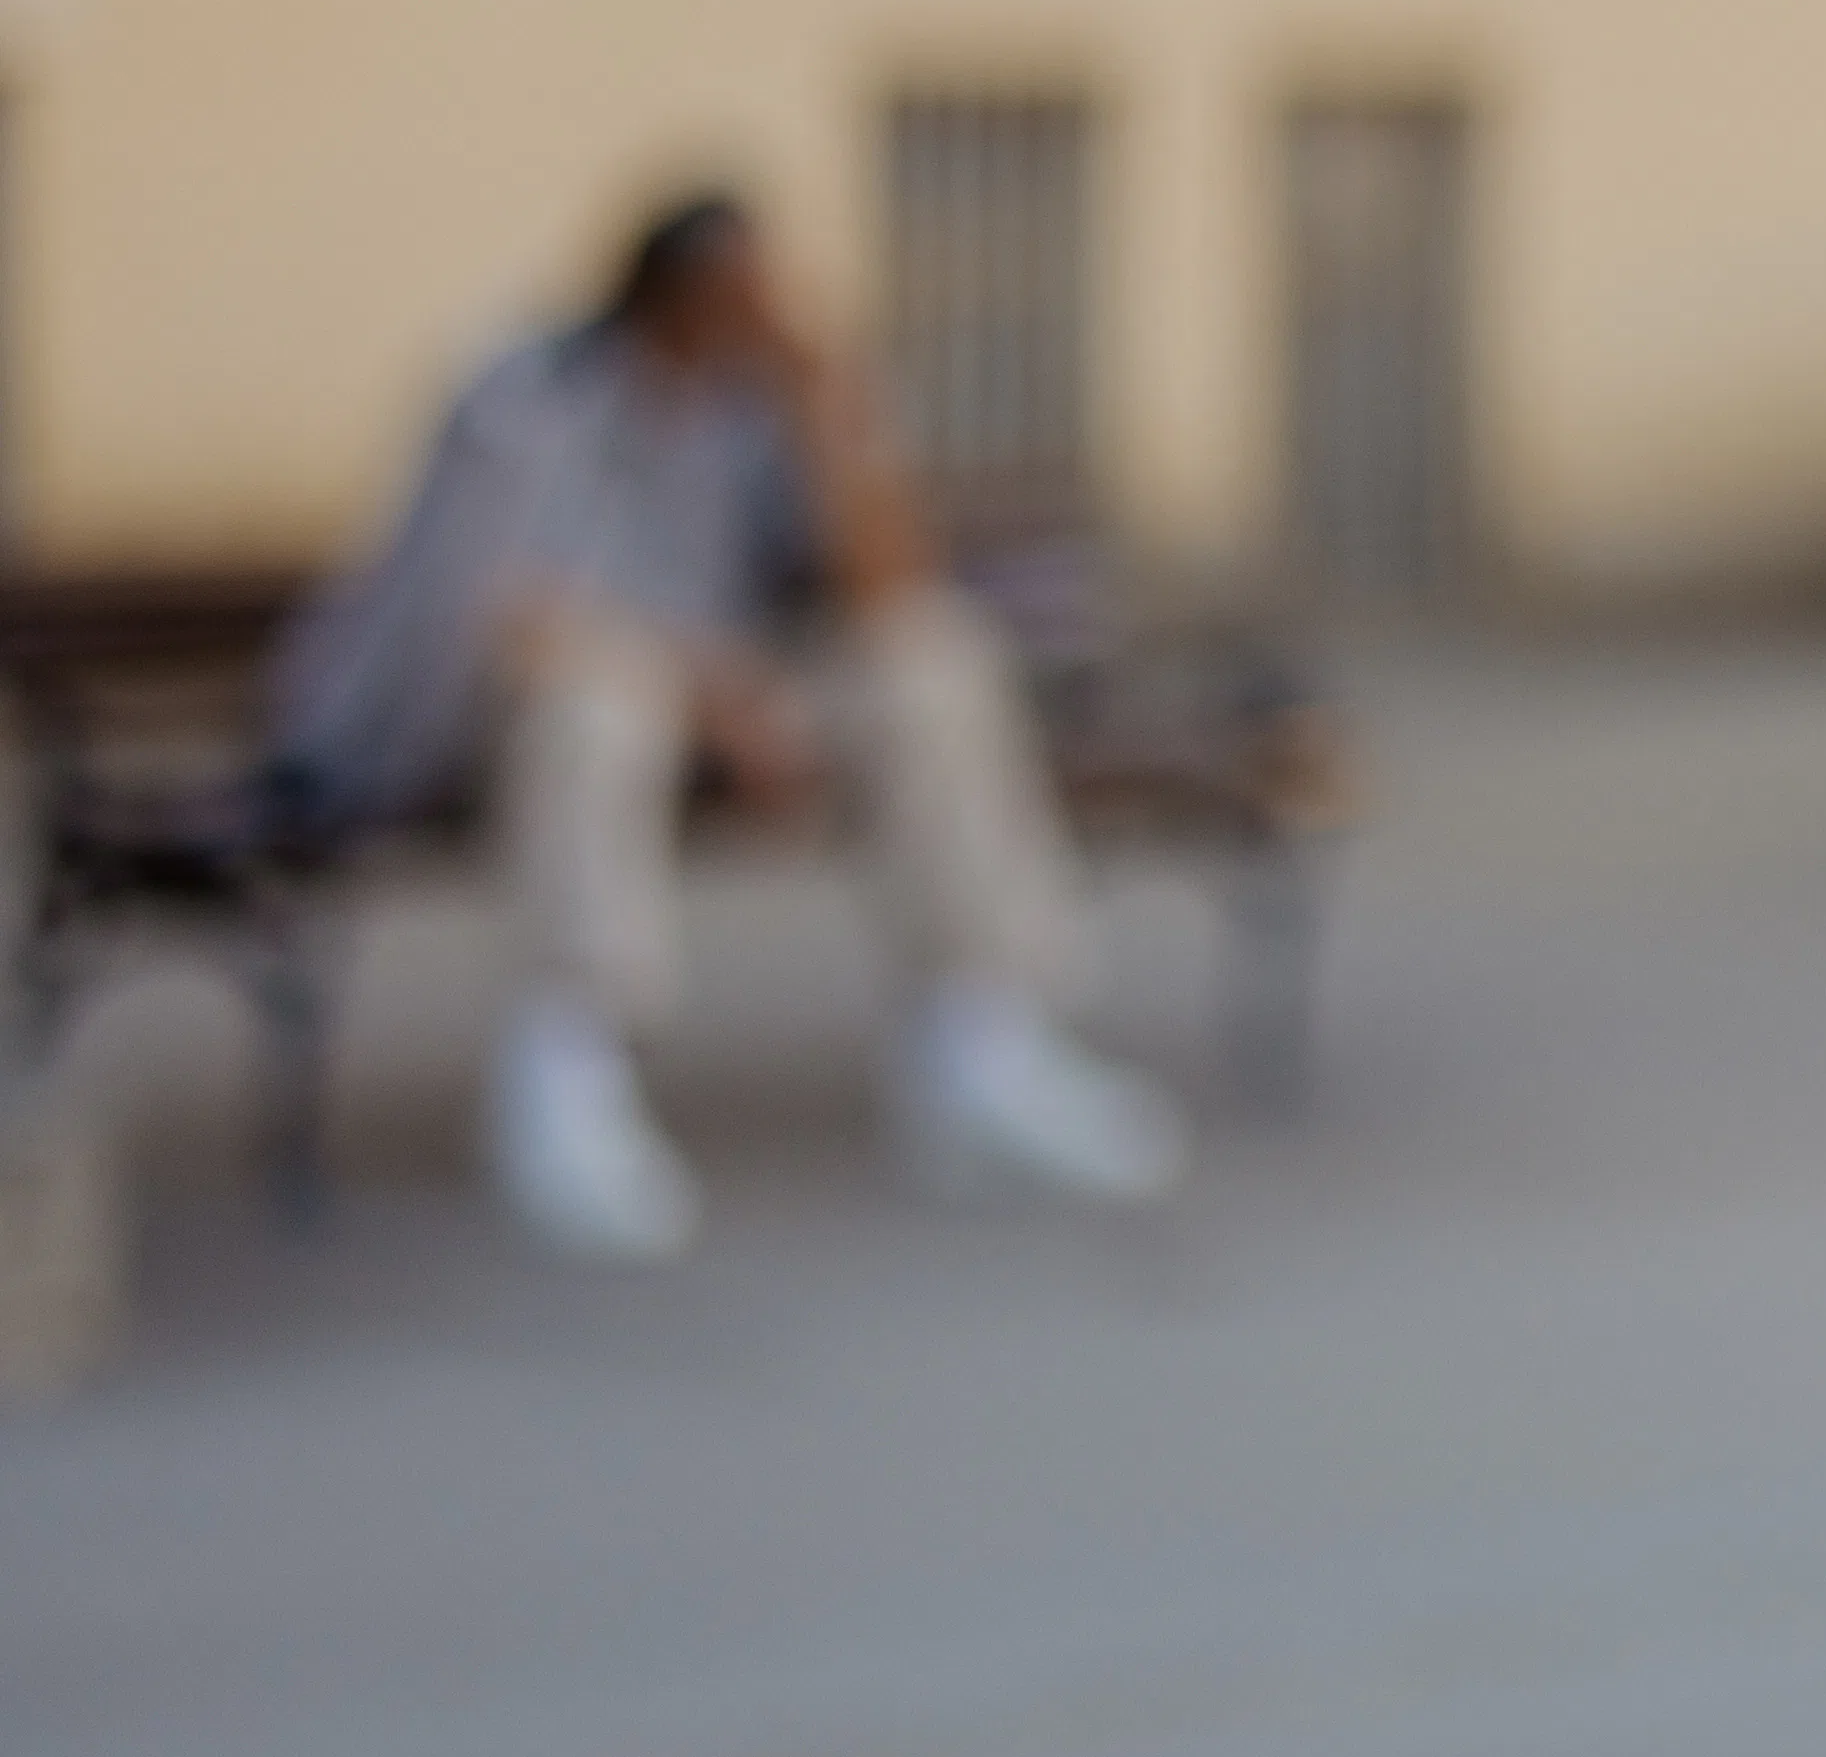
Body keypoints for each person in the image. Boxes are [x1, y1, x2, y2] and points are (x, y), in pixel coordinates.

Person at [273, 192, 1195, 1262]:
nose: (765, 316)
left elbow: (884, 590)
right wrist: (712, 691)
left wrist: (825, 409)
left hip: (723, 700)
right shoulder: (528, 391)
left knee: (932, 668)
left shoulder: (758, 406)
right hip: (496, 722)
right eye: (743, 297)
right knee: (600, 708)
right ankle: (568, 1074)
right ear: (670, 295)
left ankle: (980, 1049)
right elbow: (496, 610)